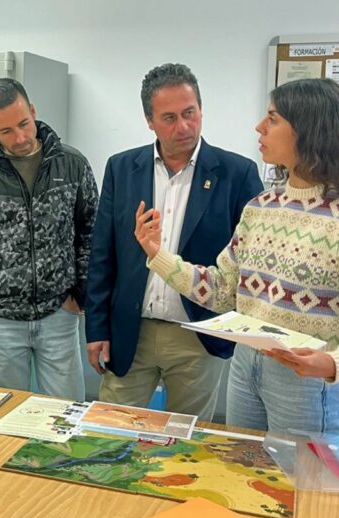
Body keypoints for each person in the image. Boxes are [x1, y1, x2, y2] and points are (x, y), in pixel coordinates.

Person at [135, 78, 339, 434]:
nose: (259, 127)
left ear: (309, 130)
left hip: (308, 382)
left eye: (273, 119)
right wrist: (158, 256)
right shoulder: (261, 207)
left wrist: (334, 362)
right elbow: (223, 289)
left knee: (301, 484)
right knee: (246, 477)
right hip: (245, 368)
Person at [85, 63, 263, 421]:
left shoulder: (236, 173)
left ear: (200, 109)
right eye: (169, 117)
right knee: (109, 431)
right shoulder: (121, 168)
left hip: (197, 336)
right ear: (149, 120)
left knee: (186, 445)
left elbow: (252, 261)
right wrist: (97, 329)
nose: (183, 127)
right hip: (130, 330)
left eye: (190, 113)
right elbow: (102, 254)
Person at [0, 78, 98, 401]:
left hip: (59, 312)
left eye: (24, 124)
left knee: (66, 414)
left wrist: (81, 295)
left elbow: (91, 234)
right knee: (8, 417)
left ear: (33, 111)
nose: (21, 138)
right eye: (7, 131)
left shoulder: (72, 165)